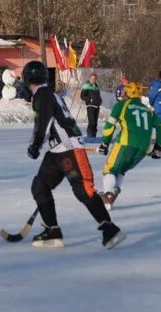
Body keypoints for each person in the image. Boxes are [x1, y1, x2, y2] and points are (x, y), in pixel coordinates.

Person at [22, 60, 125, 250]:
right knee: (40, 186)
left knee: (83, 190)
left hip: (69, 149)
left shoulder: (42, 95)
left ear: (27, 79)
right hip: (57, 150)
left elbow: (43, 124)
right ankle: (53, 231)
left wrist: (35, 146)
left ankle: (109, 228)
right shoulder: (47, 94)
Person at [98, 80, 161, 210]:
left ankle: (108, 196)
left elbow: (109, 125)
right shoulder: (148, 110)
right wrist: (158, 147)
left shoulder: (122, 105)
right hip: (143, 148)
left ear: (127, 93)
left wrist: (104, 143)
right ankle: (113, 195)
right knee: (121, 170)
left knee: (110, 169)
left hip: (126, 143)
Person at [80, 72, 103, 138]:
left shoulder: (96, 86)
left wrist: (100, 101)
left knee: (95, 123)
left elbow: (98, 95)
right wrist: (89, 99)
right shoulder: (86, 86)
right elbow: (82, 96)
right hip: (90, 106)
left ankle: (94, 136)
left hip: (97, 106)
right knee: (91, 122)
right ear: (89, 79)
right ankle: (89, 136)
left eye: (94, 78)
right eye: (92, 78)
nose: (93, 80)